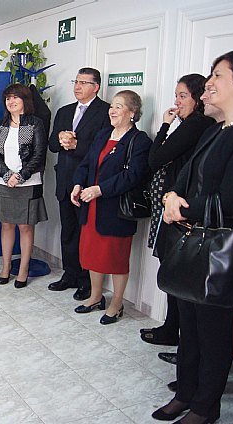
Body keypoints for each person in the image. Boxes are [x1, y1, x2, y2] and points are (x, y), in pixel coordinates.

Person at [154, 48, 233, 424]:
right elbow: (185, 177)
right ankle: (185, 393)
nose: (210, 83)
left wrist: (180, 208)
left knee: (212, 331)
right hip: (194, 240)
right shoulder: (218, 129)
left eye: (217, 75)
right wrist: (172, 195)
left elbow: (231, 199)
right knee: (188, 325)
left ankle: (206, 407)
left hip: (225, 246)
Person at [140, 74, 215, 348]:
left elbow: (155, 158)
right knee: (173, 271)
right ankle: (171, 329)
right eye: (176, 96)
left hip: (179, 209)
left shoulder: (197, 124)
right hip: (175, 205)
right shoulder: (197, 124)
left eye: (183, 96)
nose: (177, 102)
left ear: (198, 98)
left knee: (175, 272)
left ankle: (174, 332)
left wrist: (164, 125)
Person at [71, 90, 151, 324]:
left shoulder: (140, 140)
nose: (112, 111)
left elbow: (132, 176)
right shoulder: (103, 134)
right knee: (92, 255)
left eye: (118, 106)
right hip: (92, 206)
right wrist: (78, 183)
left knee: (116, 259)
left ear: (132, 112)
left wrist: (100, 189)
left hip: (115, 209)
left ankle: (116, 303)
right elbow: (87, 163)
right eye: (111, 106)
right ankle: (96, 297)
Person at [47, 68, 111, 301]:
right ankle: (70, 274)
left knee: (86, 235)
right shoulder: (64, 111)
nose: (77, 86)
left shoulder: (105, 112)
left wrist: (77, 146)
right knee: (68, 231)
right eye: (76, 81)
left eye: (84, 82)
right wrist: (61, 139)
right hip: (65, 181)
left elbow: (104, 148)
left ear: (96, 87)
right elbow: (52, 144)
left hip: (87, 184)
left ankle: (86, 281)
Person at [0, 83, 48, 288]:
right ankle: (6, 266)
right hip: (4, 182)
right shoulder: (1, 124)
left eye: (15, 97)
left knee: (25, 226)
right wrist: (7, 175)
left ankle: (23, 269)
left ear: (25, 100)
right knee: (6, 224)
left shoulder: (35, 123)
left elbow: (39, 154)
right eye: (8, 98)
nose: (11, 101)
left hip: (28, 183)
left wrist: (21, 176)